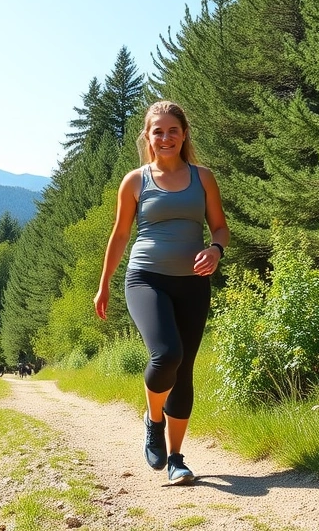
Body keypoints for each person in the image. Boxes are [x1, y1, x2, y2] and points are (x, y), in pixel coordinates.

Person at [93, 100, 229, 485]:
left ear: (184, 134)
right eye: (158, 131)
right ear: (148, 137)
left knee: (184, 370)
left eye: (172, 130)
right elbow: (120, 235)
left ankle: (176, 459)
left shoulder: (203, 177)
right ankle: (153, 420)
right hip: (145, 278)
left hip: (193, 283)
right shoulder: (135, 181)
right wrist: (103, 285)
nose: (165, 137)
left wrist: (215, 250)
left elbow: (220, 227)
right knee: (167, 354)